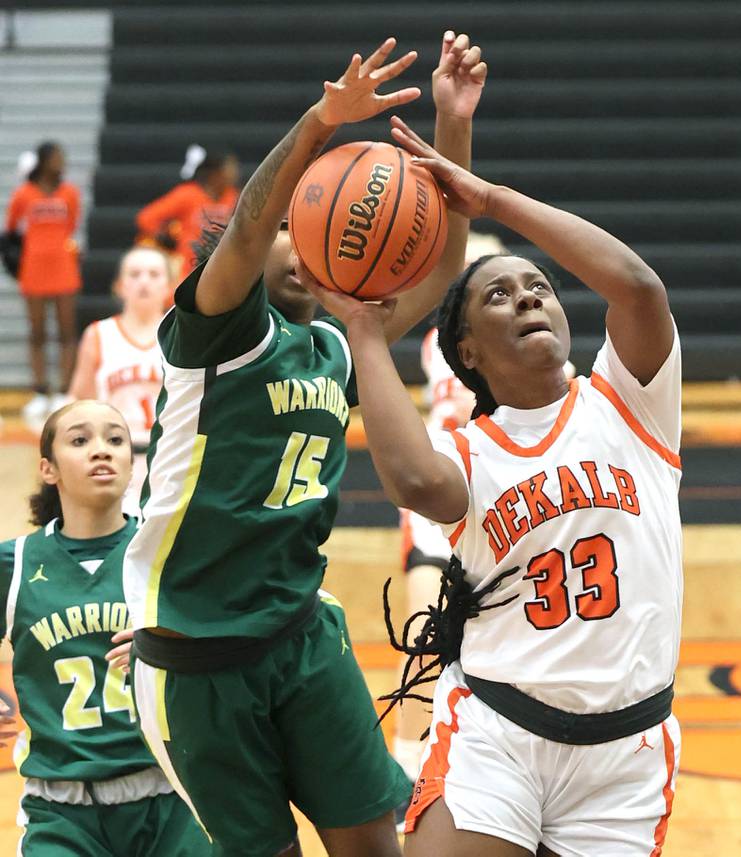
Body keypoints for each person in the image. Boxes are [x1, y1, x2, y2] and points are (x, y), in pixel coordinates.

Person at [123, 32, 487, 857]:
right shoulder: (213, 333)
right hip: (195, 659)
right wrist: (321, 123)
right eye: (293, 225)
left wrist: (452, 127)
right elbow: (249, 225)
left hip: (299, 634)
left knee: (373, 847)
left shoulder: (333, 347)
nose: (300, 237)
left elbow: (434, 274)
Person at [302, 117, 682, 857]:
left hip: (626, 754)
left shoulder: (630, 403)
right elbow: (411, 479)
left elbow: (637, 288)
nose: (529, 297)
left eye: (539, 286)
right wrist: (361, 328)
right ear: (466, 350)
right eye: (500, 295)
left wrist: (493, 200)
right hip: (498, 731)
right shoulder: (467, 451)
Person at [393, 233, 575, 788]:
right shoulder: (442, 342)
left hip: (510, 494)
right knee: (424, 634)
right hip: (449, 483)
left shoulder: (535, 347)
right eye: (476, 270)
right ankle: (406, 766)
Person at [0, 400, 210, 856]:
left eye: (115, 439)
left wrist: (171, 649)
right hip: (61, 811)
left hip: (171, 799)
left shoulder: (167, 552)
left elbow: (232, 647)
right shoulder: (14, 564)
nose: (102, 450)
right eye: (80, 440)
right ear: (48, 469)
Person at [67, 246, 170, 516]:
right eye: (134, 274)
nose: (144, 281)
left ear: (170, 285)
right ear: (119, 286)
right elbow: (78, 404)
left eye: (153, 274)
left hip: (168, 460)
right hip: (114, 461)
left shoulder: (181, 334)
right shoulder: (99, 334)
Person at [5, 142, 81, 425]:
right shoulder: (23, 193)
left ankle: (64, 391)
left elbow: (72, 224)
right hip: (33, 269)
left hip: (63, 266)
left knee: (66, 331)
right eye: (57, 157)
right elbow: (11, 227)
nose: (61, 162)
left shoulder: (70, 193)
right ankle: (39, 391)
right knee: (37, 332)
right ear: (43, 161)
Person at [136, 148, 240, 280]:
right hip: (187, 268)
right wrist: (165, 239)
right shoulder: (187, 194)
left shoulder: (234, 197)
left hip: (222, 267)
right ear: (215, 173)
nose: (235, 174)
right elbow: (146, 218)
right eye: (230, 169)